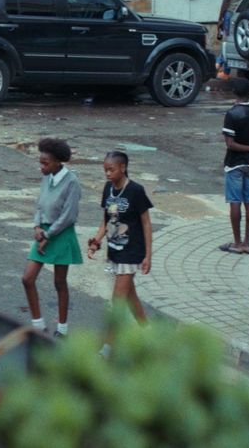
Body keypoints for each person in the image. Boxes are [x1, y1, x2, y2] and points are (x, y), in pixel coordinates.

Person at [87, 151, 153, 356]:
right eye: (105, 169)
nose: (107, 173)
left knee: (117, 302)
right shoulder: (108, 189)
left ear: (122, 168)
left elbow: (146, 223)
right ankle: (149, 333)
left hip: (132, 252)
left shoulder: (135, 191)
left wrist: (148, 255)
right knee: (130, 296)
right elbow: (106, 221)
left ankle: (107, 347)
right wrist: (96, 241)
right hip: (114, 250)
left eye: (111, 169)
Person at [21, 138, 83, 337]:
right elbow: (40, 204)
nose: (41, 166)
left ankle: (62, 328)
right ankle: (38, 324)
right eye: (40, 162)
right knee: (27, 278)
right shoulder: (47, 177)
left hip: (61, 234)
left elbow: (69, 215)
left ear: (58, 162)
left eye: (45, 163)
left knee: (59, 282)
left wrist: (49, 234)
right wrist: (37, 226)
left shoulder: (72, 182)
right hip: (44, 232)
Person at [218, 78, 249, 255]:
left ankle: (237, 243)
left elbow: (231, 144)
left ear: (235, 92)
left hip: (235, 164)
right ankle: (247, 242)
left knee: (235, 202)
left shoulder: (232, 114)